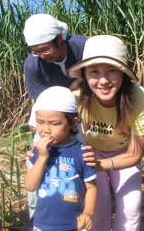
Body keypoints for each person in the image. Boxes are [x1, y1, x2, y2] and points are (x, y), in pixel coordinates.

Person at [68, 35, 144, 231]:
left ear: (123, 73)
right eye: (94, 72)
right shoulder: (75, 98)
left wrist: (102, 166)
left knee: (130, 208)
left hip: (124, 153)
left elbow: (135, 154)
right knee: (98, 208)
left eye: (111, 71)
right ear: (84, 74)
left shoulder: (139, 99)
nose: (103, 80)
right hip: (91, 152)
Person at [23, 13, 88, 218]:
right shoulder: (33, 64)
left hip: (82, 112)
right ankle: (37, 215)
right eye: (36, 51)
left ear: (59, 38)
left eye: (45, 49)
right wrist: (40, 130)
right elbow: (39, 103)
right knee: (37, 161)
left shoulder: (83, 48)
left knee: (79, 165)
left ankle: (81, 213)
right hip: (50, 117)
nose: (42, 55)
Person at [24, 86, 97, 231]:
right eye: (40, 122)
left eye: (54, 124)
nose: (46, 130)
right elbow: (30, 186)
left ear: (73, 123)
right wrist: (42, 157)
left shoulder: (81, 153)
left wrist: (88, 213)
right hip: (42, 225)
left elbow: (91, 187)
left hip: (74, 225)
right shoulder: (38, 151)